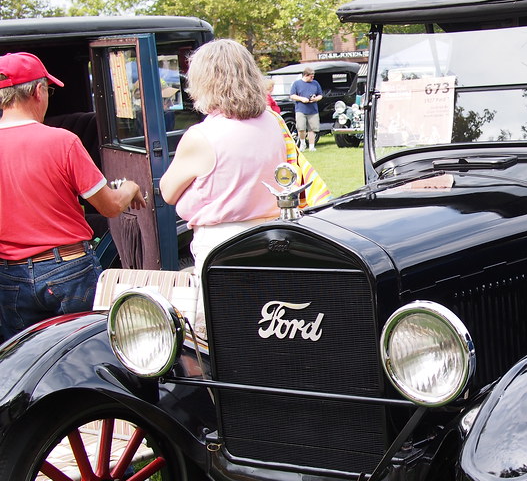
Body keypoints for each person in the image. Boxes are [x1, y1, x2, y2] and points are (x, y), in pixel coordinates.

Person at [0, 52, 146, 342]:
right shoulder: (62, 141)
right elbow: (110, 207)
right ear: (38, 91)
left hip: (9, 276)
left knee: (25, 358)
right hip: (68, 270)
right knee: (85, 351)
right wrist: (130, 187)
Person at [159, 39, 286, 291]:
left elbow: (168, 192)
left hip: (222, 243)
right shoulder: (272, 122)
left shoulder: (202, 136)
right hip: (272, 235)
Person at [289, 67, 322, 151]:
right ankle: (303, 144)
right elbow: (292, 95)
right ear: (306, 75)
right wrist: (302, 99)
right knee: (301, 128)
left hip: (313, 110)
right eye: (311, 76)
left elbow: (320, 95)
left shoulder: (315, 83)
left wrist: (315, 99)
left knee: (312, 129)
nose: (312, 78)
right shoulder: (297, 84)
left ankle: (312, 146)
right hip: (301, 109)